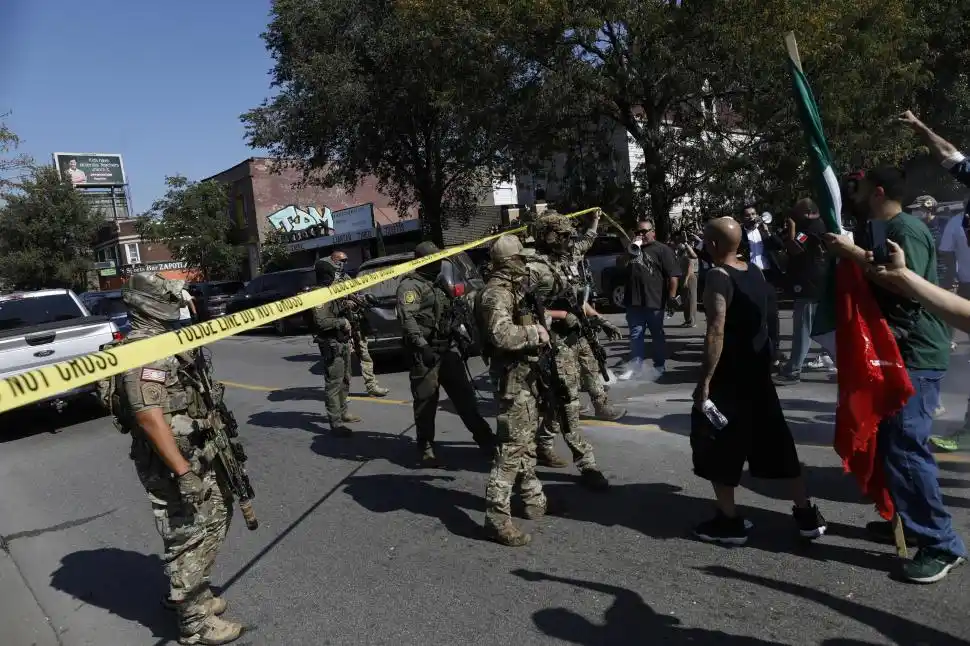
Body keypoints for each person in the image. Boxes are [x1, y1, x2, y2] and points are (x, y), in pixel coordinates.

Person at [837, 165, 966, 583]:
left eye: (857, 188)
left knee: (907, 448)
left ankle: (941, 543)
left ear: (877, 192)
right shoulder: (886, 225)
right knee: (892, 443)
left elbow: (905, 289)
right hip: (898, 350)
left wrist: (853, 255)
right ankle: (911, 522)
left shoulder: (906, 229)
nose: (852, 194)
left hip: (915, 352)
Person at [113, 273, 244, 645]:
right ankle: (195, 624)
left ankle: (191, 594)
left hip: (196, 452)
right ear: (149, 305)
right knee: (187, 534)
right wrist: (183, 472)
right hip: (172, 464)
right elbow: (148, 416)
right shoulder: (142, 350)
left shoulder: (162, 339)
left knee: (216, 512)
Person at [690, 217, 826, 545]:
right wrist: (774, 353)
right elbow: (771, 314)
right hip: (758, 373)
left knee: (717, 444)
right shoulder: (754, 270)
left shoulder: (717, 278)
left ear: (712, 245)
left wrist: (704, 381)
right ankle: (806, 513)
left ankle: (729, 521)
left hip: (731, 377)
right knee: (776, 442)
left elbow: (716, 331)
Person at [528, 214, 610, 489]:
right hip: (553, 341)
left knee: (558, 400)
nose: (568, 240)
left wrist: (600, 319)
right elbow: (522, 310)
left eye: (568, 235)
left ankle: (543, 443)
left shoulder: (564, 259)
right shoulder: (533, 268)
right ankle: (587, 463)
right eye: (562, 235)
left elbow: (577, 299)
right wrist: (561, 314)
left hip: (577, 335)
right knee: (569, 400)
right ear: (547, 236)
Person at [397, 241, 496, 466]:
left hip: (447, 347)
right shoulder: (411, 286)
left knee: (465, 398)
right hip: (426, 351)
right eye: (433, 261)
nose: (438, 265)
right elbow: (407, 319)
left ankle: (486, 440)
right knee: (426, 402)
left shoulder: (439, 282)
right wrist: (422, 346)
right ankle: (425, 446)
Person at [479, 235, 550, 546]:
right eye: (521, 259)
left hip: (524, 378)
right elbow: (501, 335)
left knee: (525, 444)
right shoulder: (495, 294)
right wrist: (536, 332)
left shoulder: (510, 289)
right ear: (509, 263)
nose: (525, 264)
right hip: (512, 383)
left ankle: (532, 498)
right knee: (510, 452)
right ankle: (496, 518)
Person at [775, 198, 836, 385]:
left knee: (803, 328)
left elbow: (795, 248)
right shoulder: (814, 226)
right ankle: (851, 367)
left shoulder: (812, 228)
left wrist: (792, 229)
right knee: (823, 331)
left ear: (807, 212)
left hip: (810, 285)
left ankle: (793, 370)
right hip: (814, 284)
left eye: (796, 213)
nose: (793, 217)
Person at [316, 250, 390, 397]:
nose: (344, 264)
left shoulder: (346, 278)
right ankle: (342, 394)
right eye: (341, 261)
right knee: (344, 361)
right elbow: (331, 305)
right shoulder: (327, 281)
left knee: (365, 354)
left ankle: (372, 385)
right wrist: (346, 304)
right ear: (334, 260)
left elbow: (355, 293)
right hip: (341, 326)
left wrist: (359, 299)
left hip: (355, 321)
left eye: (345, 261)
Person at [618, 219, 681, 381]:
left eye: (644, 231)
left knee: (657, 335)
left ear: (653, 232)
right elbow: (620, 266)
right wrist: (629, 250)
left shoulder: (662, 250)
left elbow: (673, 276)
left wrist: (672, 297)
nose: (641, 235)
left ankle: (659, 365)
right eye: (638, 232)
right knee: (635, 335)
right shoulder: (632, 249)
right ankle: (635, 366)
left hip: (655, 301)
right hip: (634, 301)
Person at [311, 262, 360, 438]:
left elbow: (335, 309)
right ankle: (335, 422)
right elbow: (321, 322)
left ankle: (344, 412)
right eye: (332, 275)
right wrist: (341, 322)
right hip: (331, 343)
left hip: (342, 340)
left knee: (346, 379)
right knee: (334, 383)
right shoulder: (318, 295)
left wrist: (347, 305)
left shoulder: (330, 292)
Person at [738, 205, 783, 366]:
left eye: (753, 214)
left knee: (772, 315)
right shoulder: (740, 233)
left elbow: (779, 245)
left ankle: (774, 351)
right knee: (751, 315)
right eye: (747, 215)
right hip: (748, 276)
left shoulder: (764, 231)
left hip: (767, 275)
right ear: (742, 218)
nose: (751, 217)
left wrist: (768, 230)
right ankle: (752, 350)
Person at [673, 232, 699, 327]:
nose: (677, 248)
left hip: (689, 278)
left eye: (678, 247)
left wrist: (685, 281)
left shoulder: (688, 256)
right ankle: (688, 320)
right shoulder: (680, 256)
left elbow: (689, 269)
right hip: (683, 277)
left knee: (691, 300)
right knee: (685, 300)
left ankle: (691, 321)